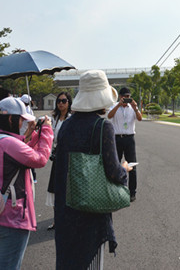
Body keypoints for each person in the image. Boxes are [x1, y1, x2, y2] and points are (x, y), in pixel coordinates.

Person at [54, 70, 132, 270]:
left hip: (65, 208)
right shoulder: (102, 126)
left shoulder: (66, 125)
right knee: (89, 262)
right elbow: (113, 171)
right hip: (90, 212)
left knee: (68, 262)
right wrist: (124, 169)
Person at [0, 96, 53, 270]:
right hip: (11, 218)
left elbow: (22, 152)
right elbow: (40, 159)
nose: (22, 124)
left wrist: (32, 135)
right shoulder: (8, 143)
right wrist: (47, 131)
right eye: (21, 119)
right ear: (11, 119)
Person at [107, 87, 142, 202]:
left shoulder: (132, 108)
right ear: (120, 97)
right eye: (124, 97)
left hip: (129, 138)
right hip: (117, 138)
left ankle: (132, 192)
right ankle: (116, 190)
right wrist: (118, 105)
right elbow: (109, 116)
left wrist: (135, 108)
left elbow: (140, 118)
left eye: (128, 97)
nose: (126, 99)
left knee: (132, 166)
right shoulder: (114, 106)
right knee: (115, 165)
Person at [45, 91, 72, 230]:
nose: (61, 103)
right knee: (55, 189)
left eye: (64, 101)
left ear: (69, 102)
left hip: (68, 158)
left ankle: (67, 220)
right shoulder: (53, 118)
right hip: (57, 157)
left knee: (67, 189)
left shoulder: (71, 118)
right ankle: (57, 220)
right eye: (59, 101)